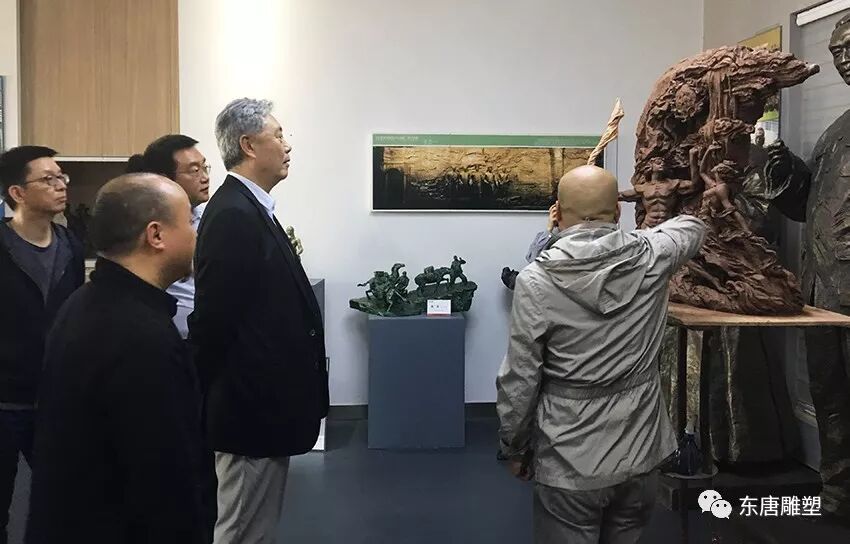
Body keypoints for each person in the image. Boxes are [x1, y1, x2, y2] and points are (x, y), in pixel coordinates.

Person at [496, 165, 705, 544]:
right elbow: (691, 227)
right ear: (619, 211)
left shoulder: (535, 279)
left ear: (558, 213)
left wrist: (514, 447)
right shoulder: (651, 255)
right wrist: (637, 235)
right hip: (640, 451)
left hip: (569, 458)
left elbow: (520, 378)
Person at [25, 174, 208, 544]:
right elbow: (163, 481)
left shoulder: (85, 304)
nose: (196, 234)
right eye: (189, 222)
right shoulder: (141, 336)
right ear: (156, 235)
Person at [190, 98, 328, 544]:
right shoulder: (233, 214)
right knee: (241, 529)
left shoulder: (249, 208)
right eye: (278, 135)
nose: (287, 146)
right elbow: (215, 322)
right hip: (249, 412)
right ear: (249, 145)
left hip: (263, 408)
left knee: (257, 528)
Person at [763, 13, 850, 520]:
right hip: (822, 289)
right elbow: (806, 207)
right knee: (830, 392)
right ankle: (837, 489)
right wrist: (784, 168)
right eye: (837, 52)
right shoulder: (837, 130)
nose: (844, 60)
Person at [0, 146, 84, 544]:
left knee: (64, 501)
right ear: (17, 193)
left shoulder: (71, 245)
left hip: (54, 396)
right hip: (5, 399)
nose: (61, 186)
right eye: (48, 179)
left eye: (61, 177)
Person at [127, 134, 211, 339]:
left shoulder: (208, 219)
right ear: (165, 179)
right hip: (170, 333)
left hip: (206, 332)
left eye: (205, 167)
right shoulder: (149, 228)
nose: (205, 177)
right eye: (194, 170)